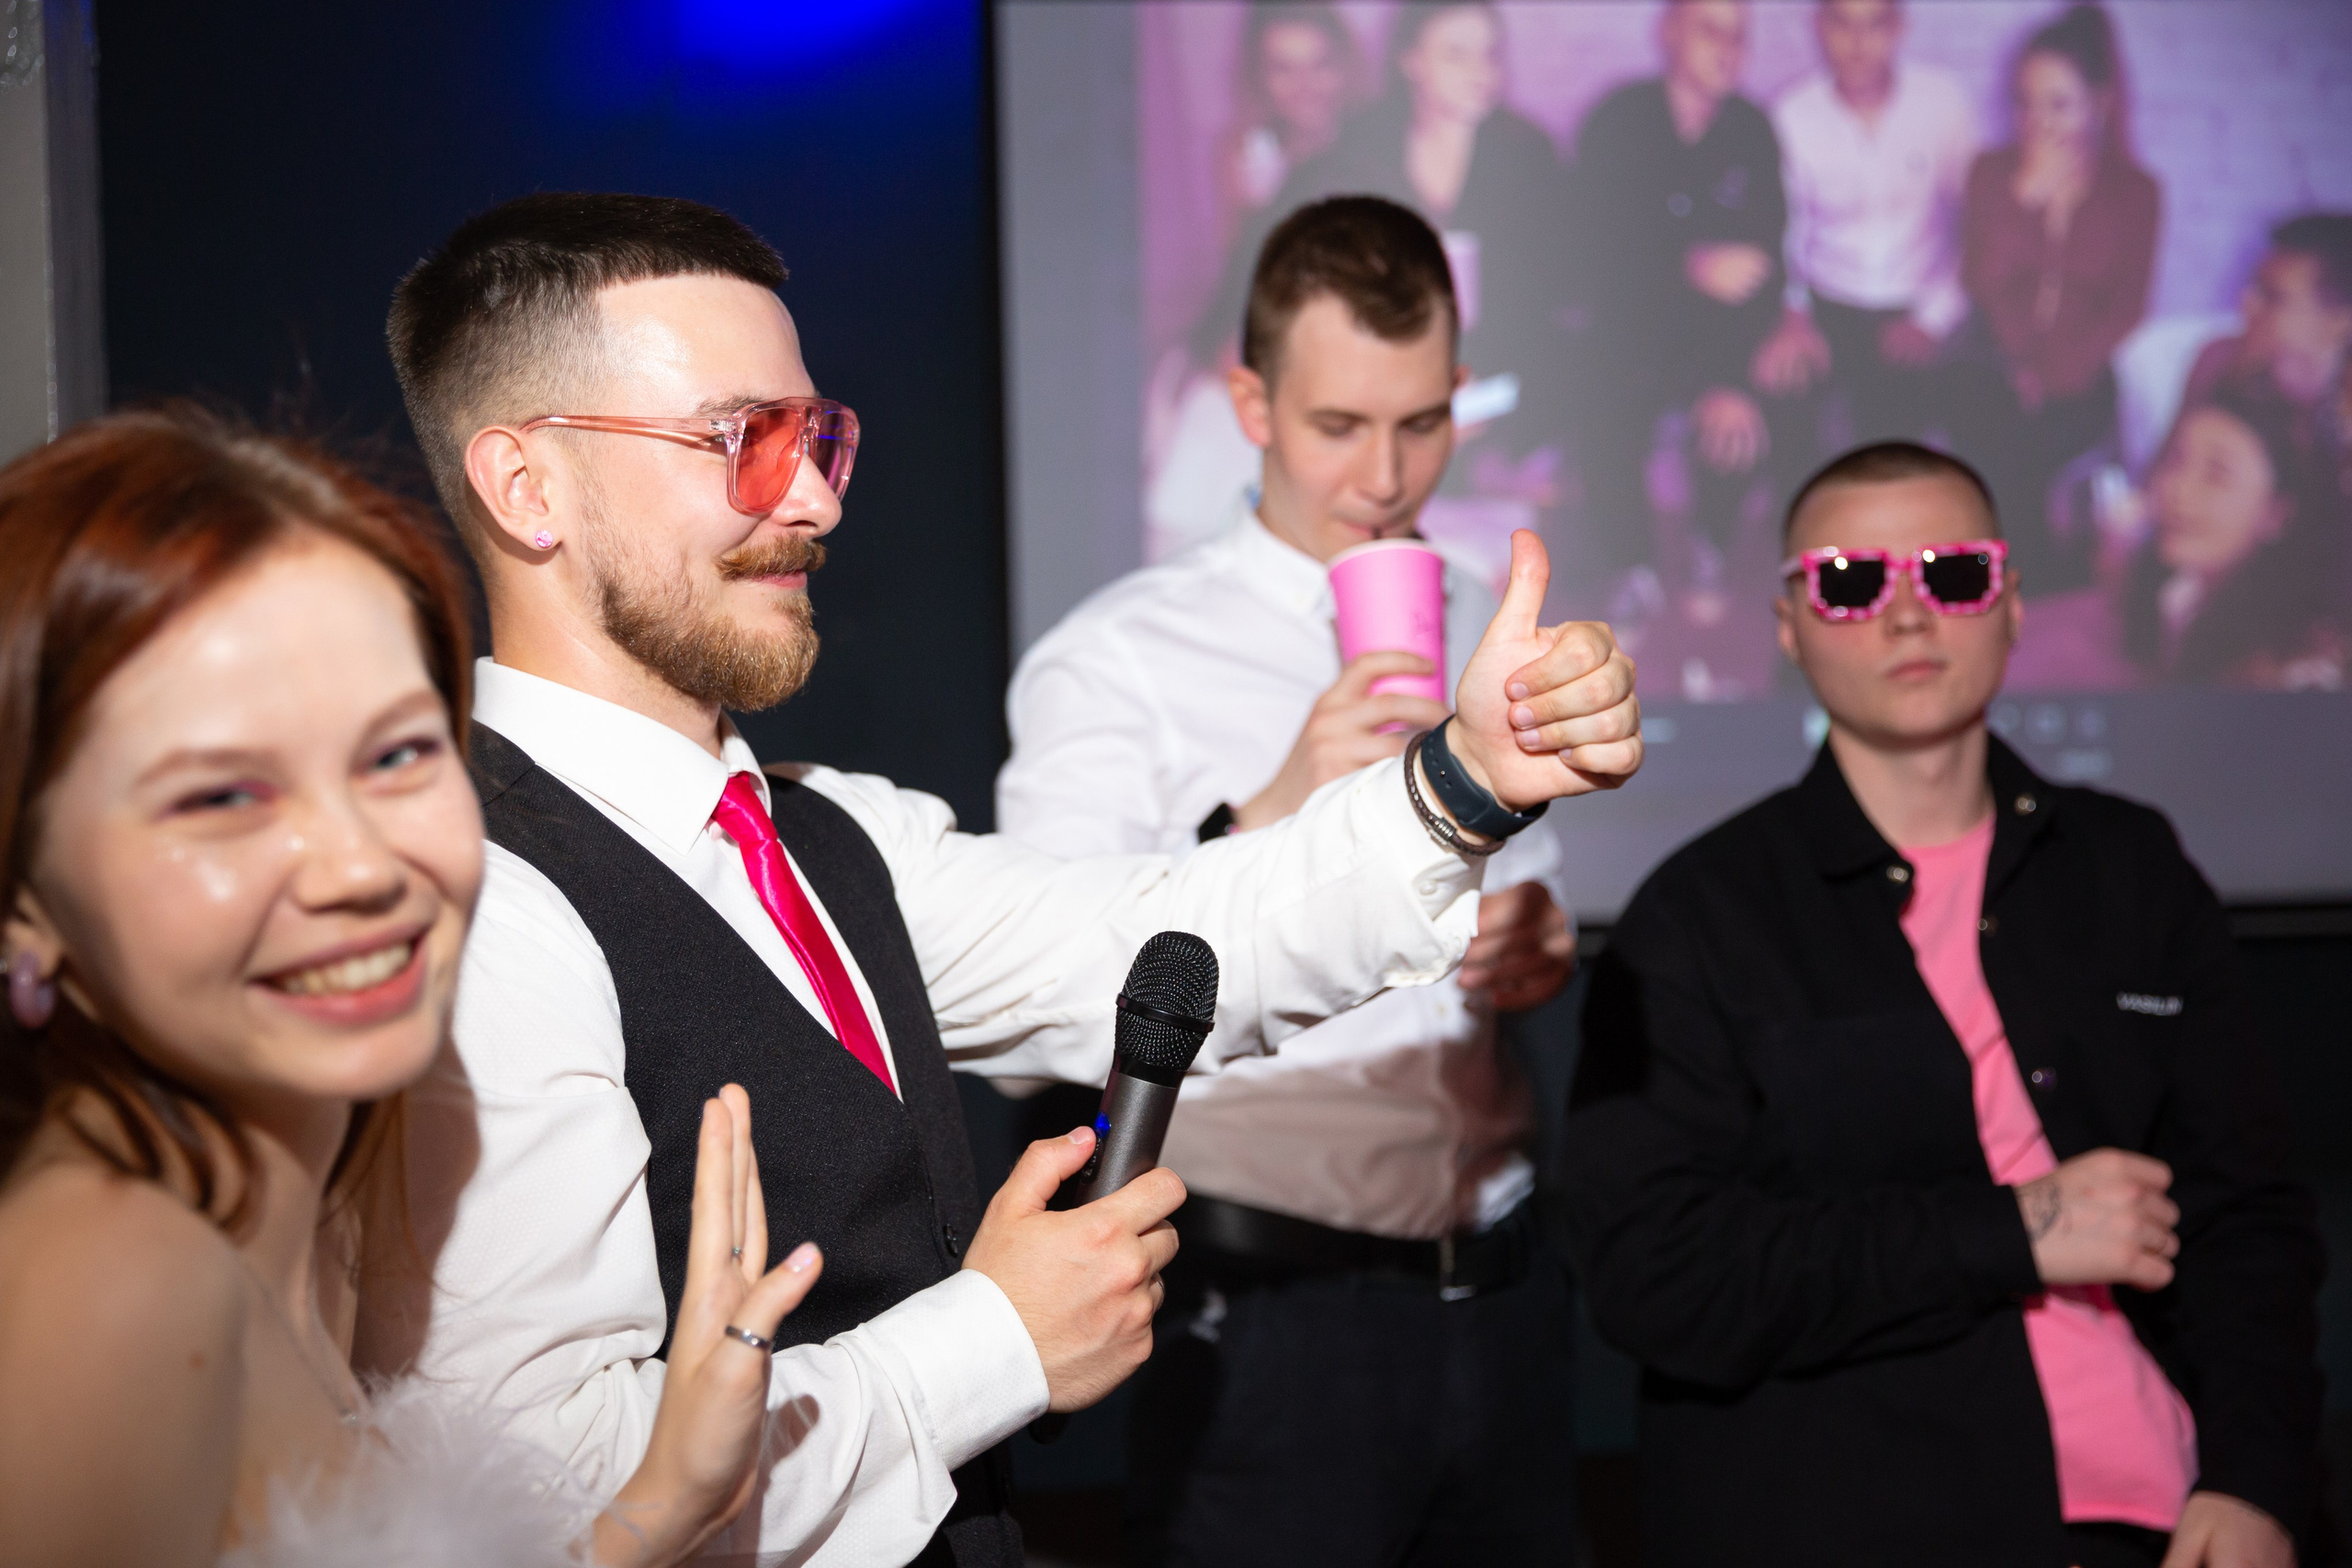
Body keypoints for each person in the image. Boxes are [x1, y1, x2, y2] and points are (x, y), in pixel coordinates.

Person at [365, 192, 1644, 1565]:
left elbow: (1161, 937)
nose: (815, 498)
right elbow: (537, 1495)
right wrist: (993, 1339)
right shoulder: (475, 905)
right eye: (741, 440)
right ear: (526, 486)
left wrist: (1463, 778)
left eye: (817, 436)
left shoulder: (827, 834)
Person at [0, 408, 823, 1567]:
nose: (360, 867)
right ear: (24, 900)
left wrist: (660, 1503)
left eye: (396, 754)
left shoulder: (326, 1193)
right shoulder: (117, 1287)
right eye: (221, 798)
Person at [1563, 440, 2322, 1568]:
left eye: (1953, 573)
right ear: (1788, 625)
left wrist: (2258, 1483)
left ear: (2009, 605)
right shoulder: (1697, 917)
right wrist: (2011, 1231)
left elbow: (2244, 1218)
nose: (1909, 614)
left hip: (2166, 1521)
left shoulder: (2129, 868)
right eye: (1851, 582)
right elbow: (1656, 1276)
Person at [1001, 197, 1580, 1567]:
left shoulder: (1482, 614)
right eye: (1338, 425)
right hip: (1268, 1314)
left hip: (1500, 1290)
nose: (1384, 473)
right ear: (1251, 404)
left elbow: (1517, 910)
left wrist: (1536, 941)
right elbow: (1028, 1027)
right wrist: (1264, 812)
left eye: (1422, 422)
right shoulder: (1120, 657)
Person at [1570, 0, 1790, 588]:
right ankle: (1630, 563)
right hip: (1631, 328)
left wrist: (1732, 377)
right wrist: (1684, 265)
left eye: (1739, 36)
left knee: (1755, 396)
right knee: (1604, 398)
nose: (1727, 50)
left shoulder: (1752, 129)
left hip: (1717, 334)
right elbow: (1588, 254)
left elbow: (1766, 262)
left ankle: (1711, 542)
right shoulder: (1618, 120)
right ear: (1668, 33)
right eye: (1709, 31)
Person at [1958, 3, 2161, 595]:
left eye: (2059, 105)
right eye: (2025, 103)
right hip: (1995, 358)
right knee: (1990, 421)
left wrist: (2050, 377)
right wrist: (2024, 201)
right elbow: (1980, 284)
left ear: (2100, 103)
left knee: (2035, 445)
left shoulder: (2136, 193)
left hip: (2080, 373)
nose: (2037, 124)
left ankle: (2028, 578)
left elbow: (2126, 309)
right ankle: (2016, 572)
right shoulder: (1991, 173)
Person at [1754, 0, 1978, 451]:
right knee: (1788, 409)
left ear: (1899, 28)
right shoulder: (1792, 114)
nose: (1857, 45)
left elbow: (1976, 223)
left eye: (1874, 25)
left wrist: (1933, 318)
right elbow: (1784, 228)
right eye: (1843, 24)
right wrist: (1793, 313)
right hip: (1827, 302)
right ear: (1821, 27)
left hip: (1916, 301)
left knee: (1892, 441)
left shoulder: (1942, 102)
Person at [2120, 389, 2345, 688]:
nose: (2178, 490)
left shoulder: (2292, 668)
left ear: (2275, 514)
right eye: (2175, 461)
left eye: (2217, 475)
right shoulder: (2173, 593)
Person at [2182, 213, 2352, 460]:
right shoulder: (2220, 362)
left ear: (2338, 321)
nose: (2248, 304)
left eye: (2273, 297)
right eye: (2254, 286)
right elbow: (2162, 475)